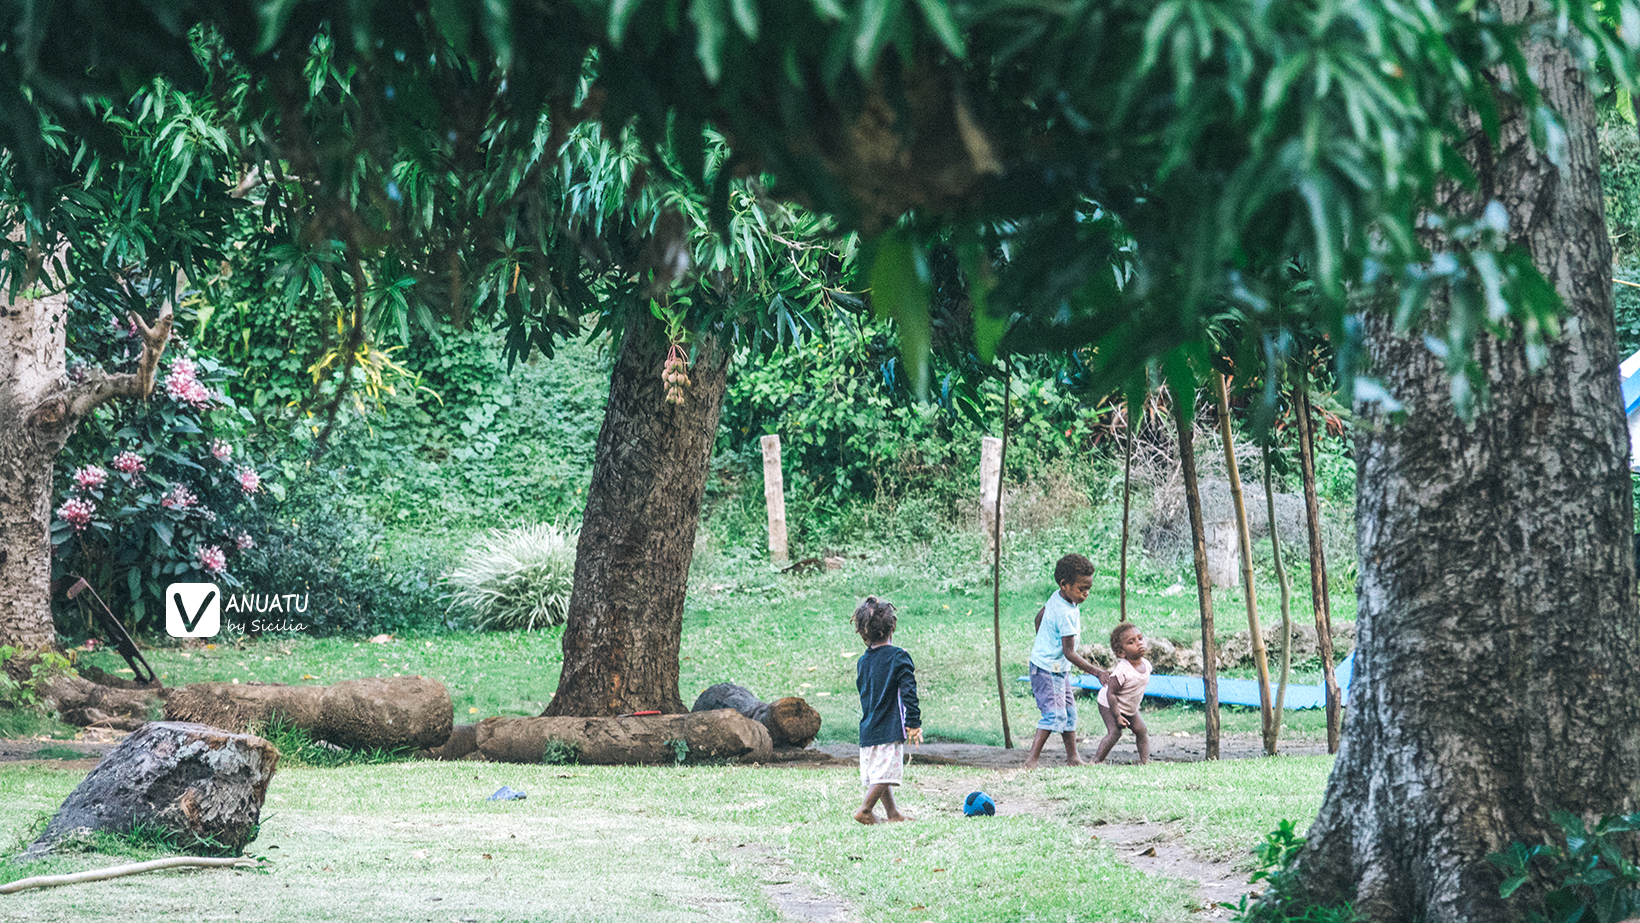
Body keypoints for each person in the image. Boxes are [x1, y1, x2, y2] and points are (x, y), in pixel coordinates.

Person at [1024, 553, 1108, 769]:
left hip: (1056, 669)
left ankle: (1073, 758)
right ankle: (1031, 761)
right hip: (1047, 671)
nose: (1086, 593)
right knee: (1054, 715)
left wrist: (1044, 643)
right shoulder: (1065, 613)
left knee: (1069, 714)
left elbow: (1039, 618)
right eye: (1082, 588)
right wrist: (1097, 672)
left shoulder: (1059, 597)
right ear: (1064, 584)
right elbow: (1069, 652)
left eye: (1089, 588)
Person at [852, 595, 922, 824]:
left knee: (879, 772)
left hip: (868, 726)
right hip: (888, 726)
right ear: (892, 627)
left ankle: (892, 814)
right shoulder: (898, 657)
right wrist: (913, 722)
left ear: (864, 634)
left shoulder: (863, 661)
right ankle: (865, 810)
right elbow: (909, 692)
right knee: (885, 774)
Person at [1093, 621, 1153, 764]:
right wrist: (1118, 716)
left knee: (1141, 730)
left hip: (1128, 707)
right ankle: (1096, 762)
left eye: (1140, 638)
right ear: (1121, 652)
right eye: (1131, 642)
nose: (1139, 643)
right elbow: (1111, 694)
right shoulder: (1122, 671)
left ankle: (1146, 761)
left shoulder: (1147, 665)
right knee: (1115, 732)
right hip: (1109, 704)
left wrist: (1129, 711)